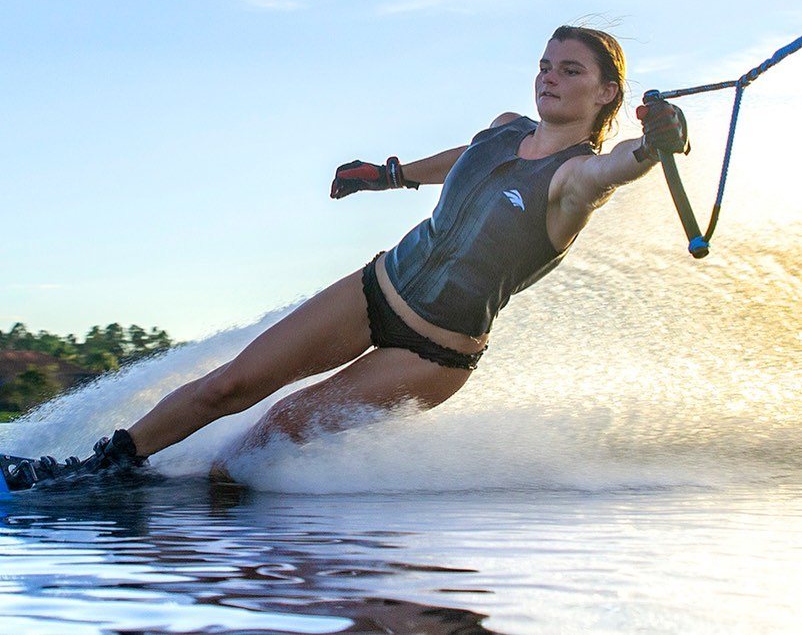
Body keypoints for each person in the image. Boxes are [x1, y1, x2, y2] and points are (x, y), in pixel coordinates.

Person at [7, 25, 690, 489]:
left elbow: (620, 166)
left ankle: (212, 509)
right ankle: (98, 469)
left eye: (571, 71)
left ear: (606, 93)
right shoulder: (505, 128)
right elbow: (466, 157)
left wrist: (658, 143)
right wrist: (388, 175)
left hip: (431, 352)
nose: (550, 78)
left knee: (278, 428)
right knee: (228, 386)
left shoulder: (577, 178)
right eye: (545, 64)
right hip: (377, 287)